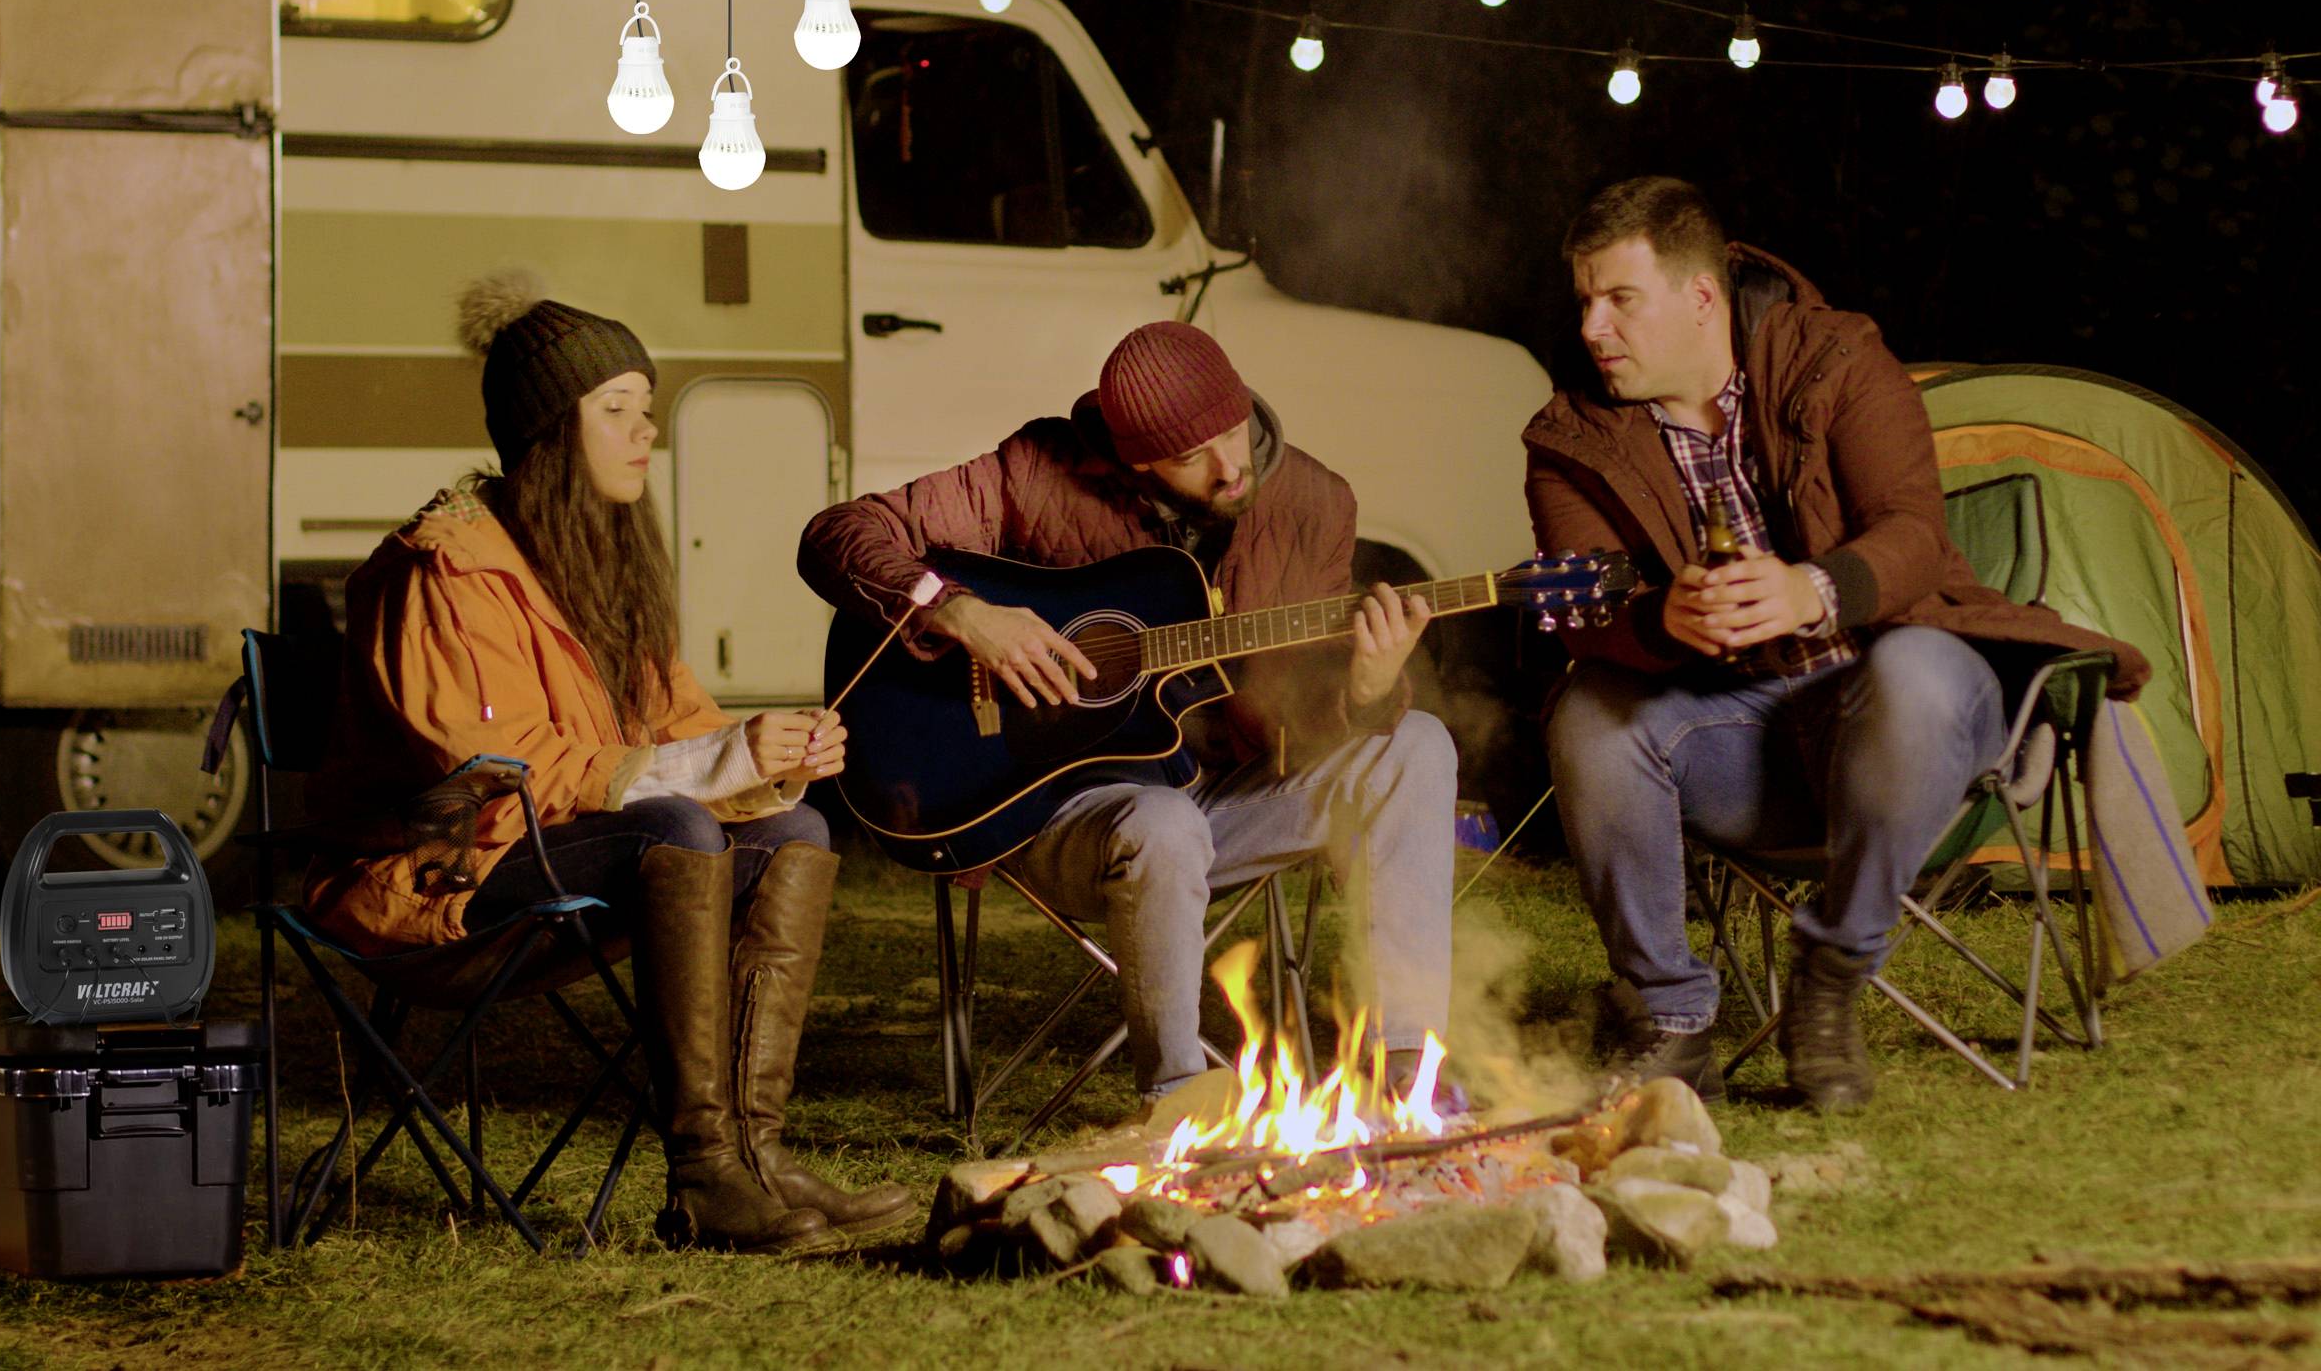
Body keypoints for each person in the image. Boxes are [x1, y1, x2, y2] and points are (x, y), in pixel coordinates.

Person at [306, 270, 913, 1252]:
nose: (647, 433)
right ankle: (703, 1171)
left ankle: (753, 1156)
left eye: (648, 409)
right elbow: (489, 767)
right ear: (550, 429)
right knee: (676, 824)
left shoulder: (598, 562)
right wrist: (713, 765)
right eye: (618, 409)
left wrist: (768, 758)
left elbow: (679, 722)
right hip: (433, 858)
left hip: (554, 847)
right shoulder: (442, 568)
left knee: (792, 826)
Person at [1523, 177, 2148, 1111]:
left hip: (1904, 705)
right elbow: (1582, 610)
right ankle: (1671, 1020)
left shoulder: (1835, 357)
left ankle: (1833, 968)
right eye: (1583, 302)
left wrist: (1809, 588)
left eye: (1619, 299)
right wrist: (1663, 619)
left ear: (1700, 297)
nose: (1592, 328)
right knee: (1589, 712)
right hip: (1745, 737)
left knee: (1917, 669)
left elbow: (1912, 533)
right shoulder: (1571, 439)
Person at [798, 320, 1462, 1113]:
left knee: (1415, 743)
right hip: (1063, 812)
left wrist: (1366, 687)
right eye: (1191, 455)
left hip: (1230, 797)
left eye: (1232, 430)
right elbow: (836, 535)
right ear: (1135, 458)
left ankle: (1406, 1069)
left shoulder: (1315, 504)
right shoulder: (1036, 472)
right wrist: (962, 613)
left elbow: (1305, 721)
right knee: (1162, 821)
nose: (1228, 466)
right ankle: (1179, 1100)